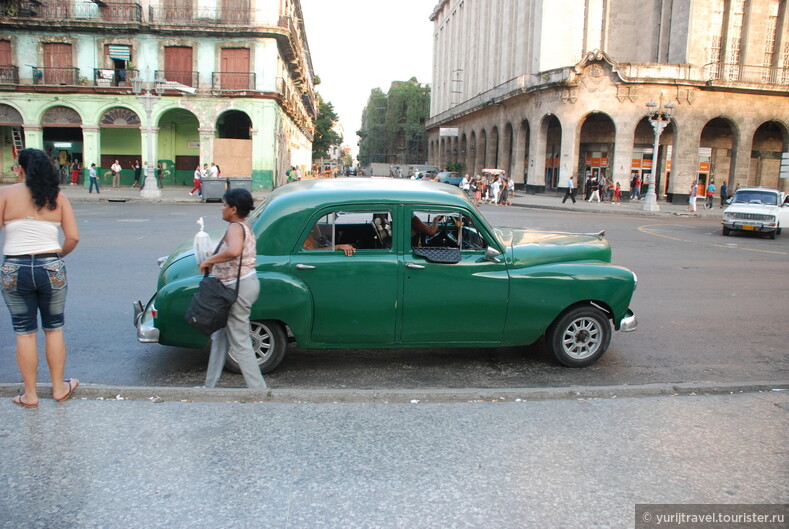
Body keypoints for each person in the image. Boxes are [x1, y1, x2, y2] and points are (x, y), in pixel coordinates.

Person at [0, 148, 80, 407]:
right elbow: (73, 238)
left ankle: (30, 394)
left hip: (14, 267)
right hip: (51, 266)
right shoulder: (57, 197)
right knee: (54, 329)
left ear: (20, 169)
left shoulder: (5, 194)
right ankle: (59, 389)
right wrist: (57, 256)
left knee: (24, 333)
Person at [199, 188, 266, 390]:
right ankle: (209, 386)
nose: (222, 209)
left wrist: (209, 260)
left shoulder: (235, 228)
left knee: (240, 340)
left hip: (237, 288)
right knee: (219, 336)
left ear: (234, 209)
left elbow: (234, 251)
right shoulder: (242, 226)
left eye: (224, 205)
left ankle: (259, 390)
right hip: (238, 286)